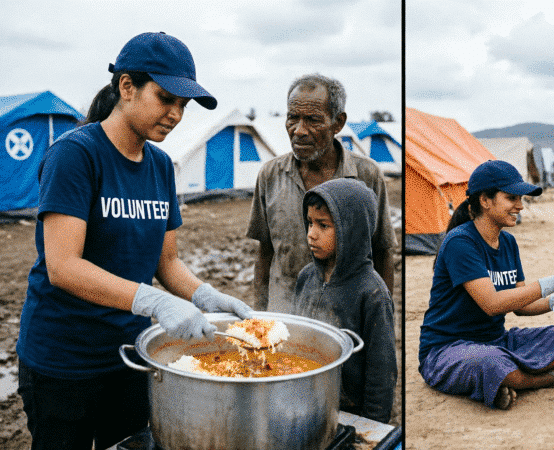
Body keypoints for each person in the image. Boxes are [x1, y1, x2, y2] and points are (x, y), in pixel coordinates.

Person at [15, 32, 254, 450]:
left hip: (131, 356)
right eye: (166, 98)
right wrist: (155, 302)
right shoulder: (76, 154)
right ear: (127, 87)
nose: (176, 114)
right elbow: (63, 266)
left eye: (183, 105)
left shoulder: (160, 167)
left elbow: (167, 263)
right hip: (64, 360)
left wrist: (207, 295)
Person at [418, 160, 554, 410]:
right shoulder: (461, 243)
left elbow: (522, 305)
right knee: (491, 363)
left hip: (497, 341)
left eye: (520, 199)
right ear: (485, 200)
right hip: (448, 349)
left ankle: (506, 380)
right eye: (511, 198)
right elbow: (492, 305)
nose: (520, 206)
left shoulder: (508, 242)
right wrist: (552, 282)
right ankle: (539, 379)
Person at [246, 74, 397, 312]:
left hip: (344, 318)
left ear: (338, 123)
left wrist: (380, 318)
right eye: (292, 118)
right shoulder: (270, 175)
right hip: (285, 315)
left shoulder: (366, 176)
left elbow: (382, 253)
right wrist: (259, 316)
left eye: (313, 120)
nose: (299, 131)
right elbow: (265, 254)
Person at [294, 178, 397, 423]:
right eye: (309, 223)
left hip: (350, 413)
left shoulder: (372, 294)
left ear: (351, 230)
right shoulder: (306, 277)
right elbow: (294, 341)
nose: (311, 234)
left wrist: (372, 425)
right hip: (305, 403)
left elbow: (381, 375)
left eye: (323, 225)